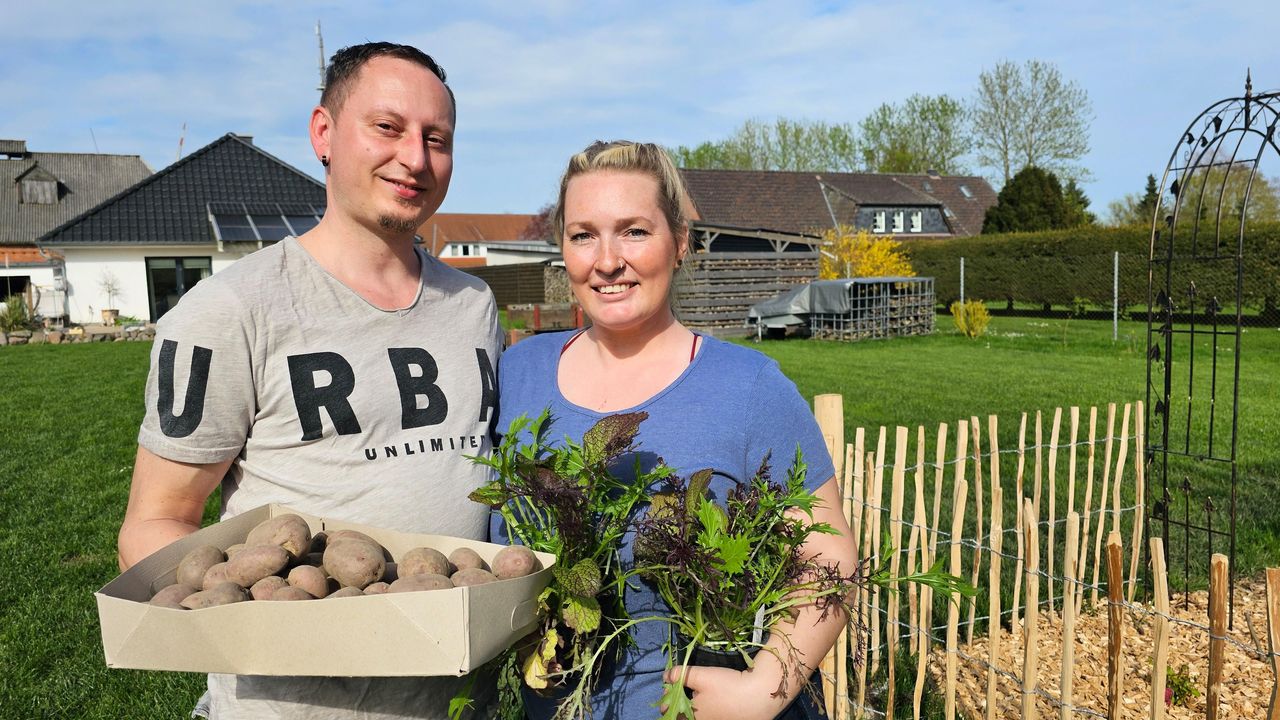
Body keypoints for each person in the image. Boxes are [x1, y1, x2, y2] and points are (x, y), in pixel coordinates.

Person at [117, 42, 502, 720]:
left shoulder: (474, 304)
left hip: (456, 699)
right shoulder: (230, 309)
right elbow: (156, 522)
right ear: (324, 133)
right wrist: (273, 621)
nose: (415, 158)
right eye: (387, 128)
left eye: (436, 139)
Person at [493, 141, 857, 720]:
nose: (607, 260)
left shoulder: (749, 388)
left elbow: (826, 554)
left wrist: (761, 691)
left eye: (634, 231)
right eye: (583, 234)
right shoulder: (518, 372)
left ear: (681, 241)